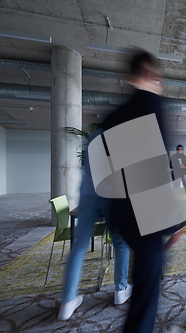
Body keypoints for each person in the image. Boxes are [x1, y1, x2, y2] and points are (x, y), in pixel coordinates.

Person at [101, 50, 186, 333]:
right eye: (158, 77)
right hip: (148, 216)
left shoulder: (112, 117)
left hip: (123, 214)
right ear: (151, 75)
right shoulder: (153, 104)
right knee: (147, 290)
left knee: (145, 282)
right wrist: (174, 220)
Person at [58, 130, 131, 321]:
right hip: (110, 193)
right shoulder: (119, 136)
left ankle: (67, 302)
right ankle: (120, 290)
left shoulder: (94, 136)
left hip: (88, 192)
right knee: (120, 244)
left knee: (79, 247)